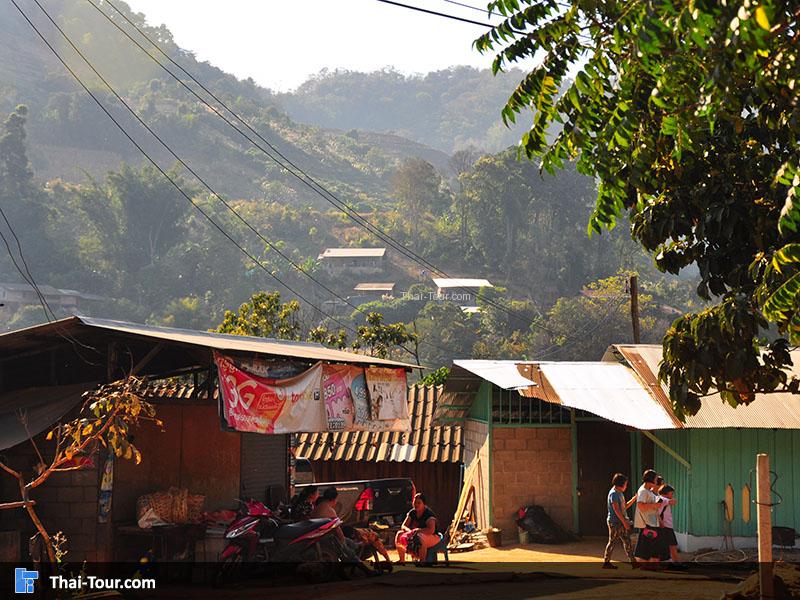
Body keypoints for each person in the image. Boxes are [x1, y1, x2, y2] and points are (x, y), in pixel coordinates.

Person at [633, 470, 674, 564]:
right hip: (647, 524)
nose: (657, 481)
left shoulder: (648, 491)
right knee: (647, 550)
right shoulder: (643, 491)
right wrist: (654, 505)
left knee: (650, 549)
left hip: (652, 522)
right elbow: (640, 506)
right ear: (651, 479)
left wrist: (659, 519)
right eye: (655, 479)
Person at [395, 493, 440, 564]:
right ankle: (402, 560)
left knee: (420, 537)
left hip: (433, 537)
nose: (416, 505)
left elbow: (431, 530)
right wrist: (410, 532)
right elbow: (403, 526)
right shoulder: (412, 512)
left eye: (419, 503)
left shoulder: (428, 514)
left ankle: (422, 561)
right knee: (399, 534)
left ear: (424, 504)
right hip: (415, 534)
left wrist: (419, 531)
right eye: (415, 502)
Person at [603, 473, 635, 569]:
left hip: (621, 521)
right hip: (615, 522)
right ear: (621, 484)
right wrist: (625, 522)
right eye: (625, 484)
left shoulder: (620, 493)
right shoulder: (613, 494)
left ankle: (633, 562)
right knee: (612, 541)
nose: (626, 486)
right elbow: (616, 509)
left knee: (627, 541)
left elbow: (624, 507)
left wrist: (634, 499)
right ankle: (606, 562)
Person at [658, 484, 679, 562]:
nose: (672, 495)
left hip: (664, 526)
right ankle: (676, 562)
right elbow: (673, 502)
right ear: (666, 492)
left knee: (665, 546)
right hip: (666, 526)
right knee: (672, 545)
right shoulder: (662, 499)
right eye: (671, 493)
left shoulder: (659, 499)